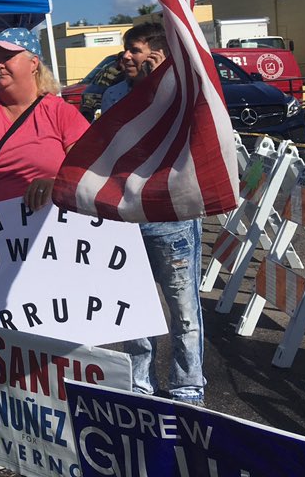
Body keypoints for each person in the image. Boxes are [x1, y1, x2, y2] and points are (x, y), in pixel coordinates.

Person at [102, 22, 206, 406]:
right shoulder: (113, 95)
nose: (125, 56)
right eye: (124, 49)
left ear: (157, 55)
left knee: (183, 309)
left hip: (172, 219)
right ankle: (139, 381)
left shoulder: (183, 91)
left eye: (135, 49)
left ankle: (187, 385)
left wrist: (163, 82)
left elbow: (194, 138)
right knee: (133, 307)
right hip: (126, 218)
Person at [0, 28, 89, 210]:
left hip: (45, 229)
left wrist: (57, 183)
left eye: (7, 57)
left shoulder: (60, 112)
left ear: (33, 63)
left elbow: (89, 172)